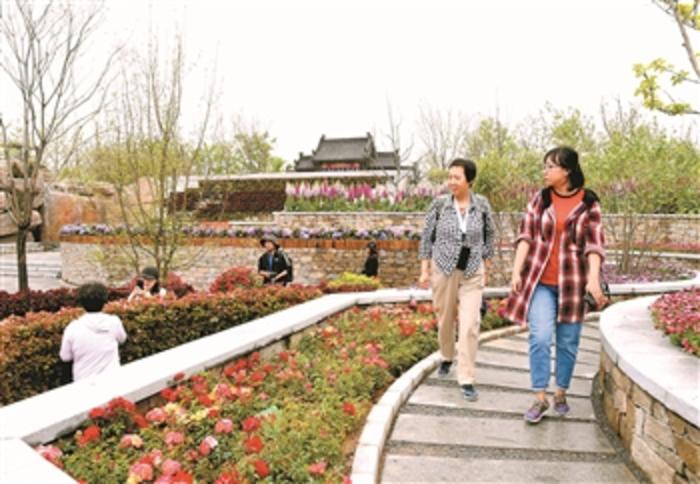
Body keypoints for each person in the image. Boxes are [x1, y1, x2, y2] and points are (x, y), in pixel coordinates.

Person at [504, 146, 607, 424]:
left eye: (551, 166)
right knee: (539, 337)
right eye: (545, 166)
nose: (545, 171)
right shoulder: (540, 199)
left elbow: (595, 245)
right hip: (541, 282)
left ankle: (561, 392)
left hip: (573, 284)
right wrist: (516, 271)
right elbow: (525, 236)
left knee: (568, 342)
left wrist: (593, 279)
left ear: (567, 170)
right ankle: (540, 397)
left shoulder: (589, 202)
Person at [418, 158, 496, 402]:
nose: (451, 181)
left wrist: (487, 264)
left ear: (469, 180)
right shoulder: (439, 205)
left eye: (457, 177)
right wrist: (424, 270)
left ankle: (466, 378)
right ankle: (446, 355)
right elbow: (426, 238)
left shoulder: (482, 205)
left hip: (472, 269)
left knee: (470, 324)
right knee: (445, 318)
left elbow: (490, 234)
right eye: (449, 177)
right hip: (444, 269)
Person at [60, 282, 127, 381]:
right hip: (112, 380)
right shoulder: (113, 322)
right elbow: (122, 339)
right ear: (104, 301)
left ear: (81, 303)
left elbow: (65, 357)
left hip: (83, 382)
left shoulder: (73, 328)